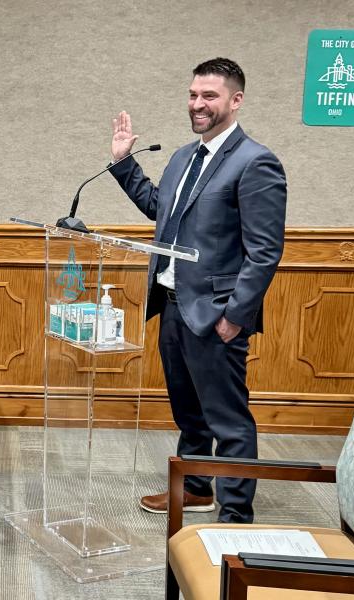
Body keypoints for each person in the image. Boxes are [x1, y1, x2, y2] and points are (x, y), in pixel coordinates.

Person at [109, 58, 286, 523]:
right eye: (192, 95)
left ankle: (234, 515)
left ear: (235, 100)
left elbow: (264, 252)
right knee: (188, 410)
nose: (197, 104)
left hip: (216, 313)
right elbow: (159, 208)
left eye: (209, 96)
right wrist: (124, 163)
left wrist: (235, 316)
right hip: (171, 305)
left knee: (228, 419)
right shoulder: (184, 157)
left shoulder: (256, 162)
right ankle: (194, 487)